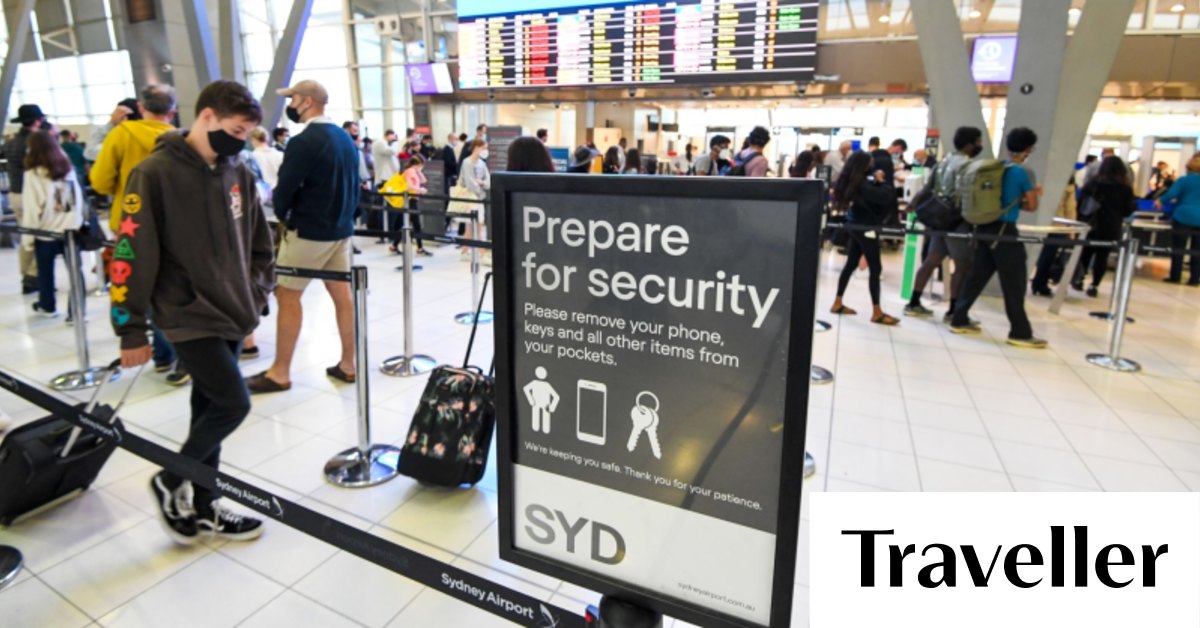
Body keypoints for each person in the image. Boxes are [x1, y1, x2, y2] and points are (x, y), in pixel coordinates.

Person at [115, 80, 274, 544]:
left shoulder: (237, 170)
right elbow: (132, 254)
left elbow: (260, 242)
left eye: (247, 133)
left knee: (208, 408)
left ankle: (205, 506)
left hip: (233, 310)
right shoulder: (153, 174)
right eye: (235, 129)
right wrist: (130, 329)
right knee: (233, 402)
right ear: (206, 116)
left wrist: (257, 292)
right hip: (185, 314)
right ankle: (171, 478)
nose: (240, 139)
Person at [246, 79, 360, 394]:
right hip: (340, 230)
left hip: (309, 232)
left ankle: (280, 372)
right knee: (343, 297)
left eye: (293, 98)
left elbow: (285, 190)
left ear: (307, 102)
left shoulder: (303, 141)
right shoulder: (344, 138)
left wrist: (286, 216)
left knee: (287, 294)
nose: (290, 105)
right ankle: (348, 364)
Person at [90, 84, 188, 384]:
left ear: (142, 107)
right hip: (178, 224)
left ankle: (161, 355)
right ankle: (183, 355)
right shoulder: (182, 139)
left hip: (132, 224)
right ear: (172, 110)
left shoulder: (121, 135)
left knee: (141, 288)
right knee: (179, 288)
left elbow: (100, 181)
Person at [949, 127, 1046, 348]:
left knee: (977, 276)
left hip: (984, 226)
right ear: (1029, 148)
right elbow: (1031, 206)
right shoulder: (1023, 171)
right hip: (1005, 231)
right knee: (1015, 282)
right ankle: (1020, 332)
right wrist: (1033, 194)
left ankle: (959, 318)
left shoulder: (997, 168)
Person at [905, 126, 983, 321]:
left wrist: (912, 205)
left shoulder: (942, 162)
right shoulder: (968, 165)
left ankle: (914, 301)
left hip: (938, 219)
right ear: (969, 145)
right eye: (979, 142)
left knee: (931, 261)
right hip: (957, 221)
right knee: (962, 264)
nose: (980, 145)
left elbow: (926, 189)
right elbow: (968, 196)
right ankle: (954, 310)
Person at [830, 151, 899, 325]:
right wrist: (883, 182)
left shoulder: (853, 182)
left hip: (855, 225)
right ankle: (877, 311)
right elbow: (885, 197)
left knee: (851, 264)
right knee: (875, 269)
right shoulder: (862, 184)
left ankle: (837, 302)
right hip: (867, 228)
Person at [21, 131, 84, 319]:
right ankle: (77, 311)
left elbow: (32, 208)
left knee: (45, 272)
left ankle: (48, 306)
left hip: (46, 231)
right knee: (75, 272)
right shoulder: (68, 168)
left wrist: (28, 238)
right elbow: (78, 199)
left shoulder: (33, 174)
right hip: (71, 228)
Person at [1072, 156, 1136, 297]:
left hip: (1091, 225)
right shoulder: (1125, 188)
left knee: (1085, 253)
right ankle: (1094, 285)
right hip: (1111, 226)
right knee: (1102, 257)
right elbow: (1128, 209)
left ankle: (1079, 279)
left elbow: (1081, 204)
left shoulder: (1093, 184)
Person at [5, 104, 52, 295]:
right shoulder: (34, 143)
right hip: (31, 195)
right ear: (37, 121)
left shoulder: (13, 142)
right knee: (39, 237)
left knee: (26, 236)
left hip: (15, 194)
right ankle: (34, 278)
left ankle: (27, 275)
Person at [1030, 176, 1079, 296]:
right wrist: (1072, 231)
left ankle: (1036, 282)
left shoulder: (1042, 177)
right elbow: (1070, 209)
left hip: (1037, 222)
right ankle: (1040, 284)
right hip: (1057, 225)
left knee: (1036, 254)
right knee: (1048, 257)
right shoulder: (1068, 185)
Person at [1155, 153, 1200, 285]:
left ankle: (1175, 276)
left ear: (1188, 168)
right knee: (1197, 251)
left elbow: (1171, 194)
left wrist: (1160, 200)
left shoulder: (1183, 180)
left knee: (1178, 248)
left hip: (1183, 217)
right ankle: (1194, 279)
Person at [390, 155, 431, 257]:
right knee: (415, 225)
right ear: (418, 164)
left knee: (408, 224)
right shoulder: (410, 171)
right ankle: (419, 248)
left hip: (412, 200)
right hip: (410, 200)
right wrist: (420, 190)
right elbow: (409, 186)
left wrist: (419, 171)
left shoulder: (413, 171)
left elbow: (424, 181)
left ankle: (394, 245)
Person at [83, 97, 139, 162]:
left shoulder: (119, 137)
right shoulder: (148, 132)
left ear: (123, 116)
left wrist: (111, 124)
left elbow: (90, 152)